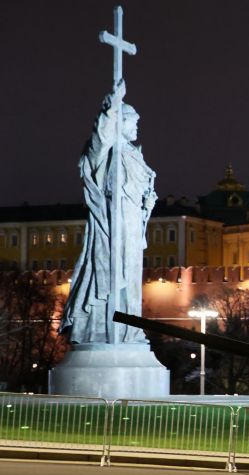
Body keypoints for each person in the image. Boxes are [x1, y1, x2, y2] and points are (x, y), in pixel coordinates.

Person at [61, 80, 157, 344]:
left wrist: (146, 205)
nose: (137, 125)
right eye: (132, 121)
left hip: (132, 225)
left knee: (132, 281)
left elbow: (137, 192)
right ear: (119, 122)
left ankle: (130, 331)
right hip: (112, 225)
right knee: (111, 276)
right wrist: (112, 106)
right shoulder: (105, 151)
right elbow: (99, 139)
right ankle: (102, 330)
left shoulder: (135, 155)